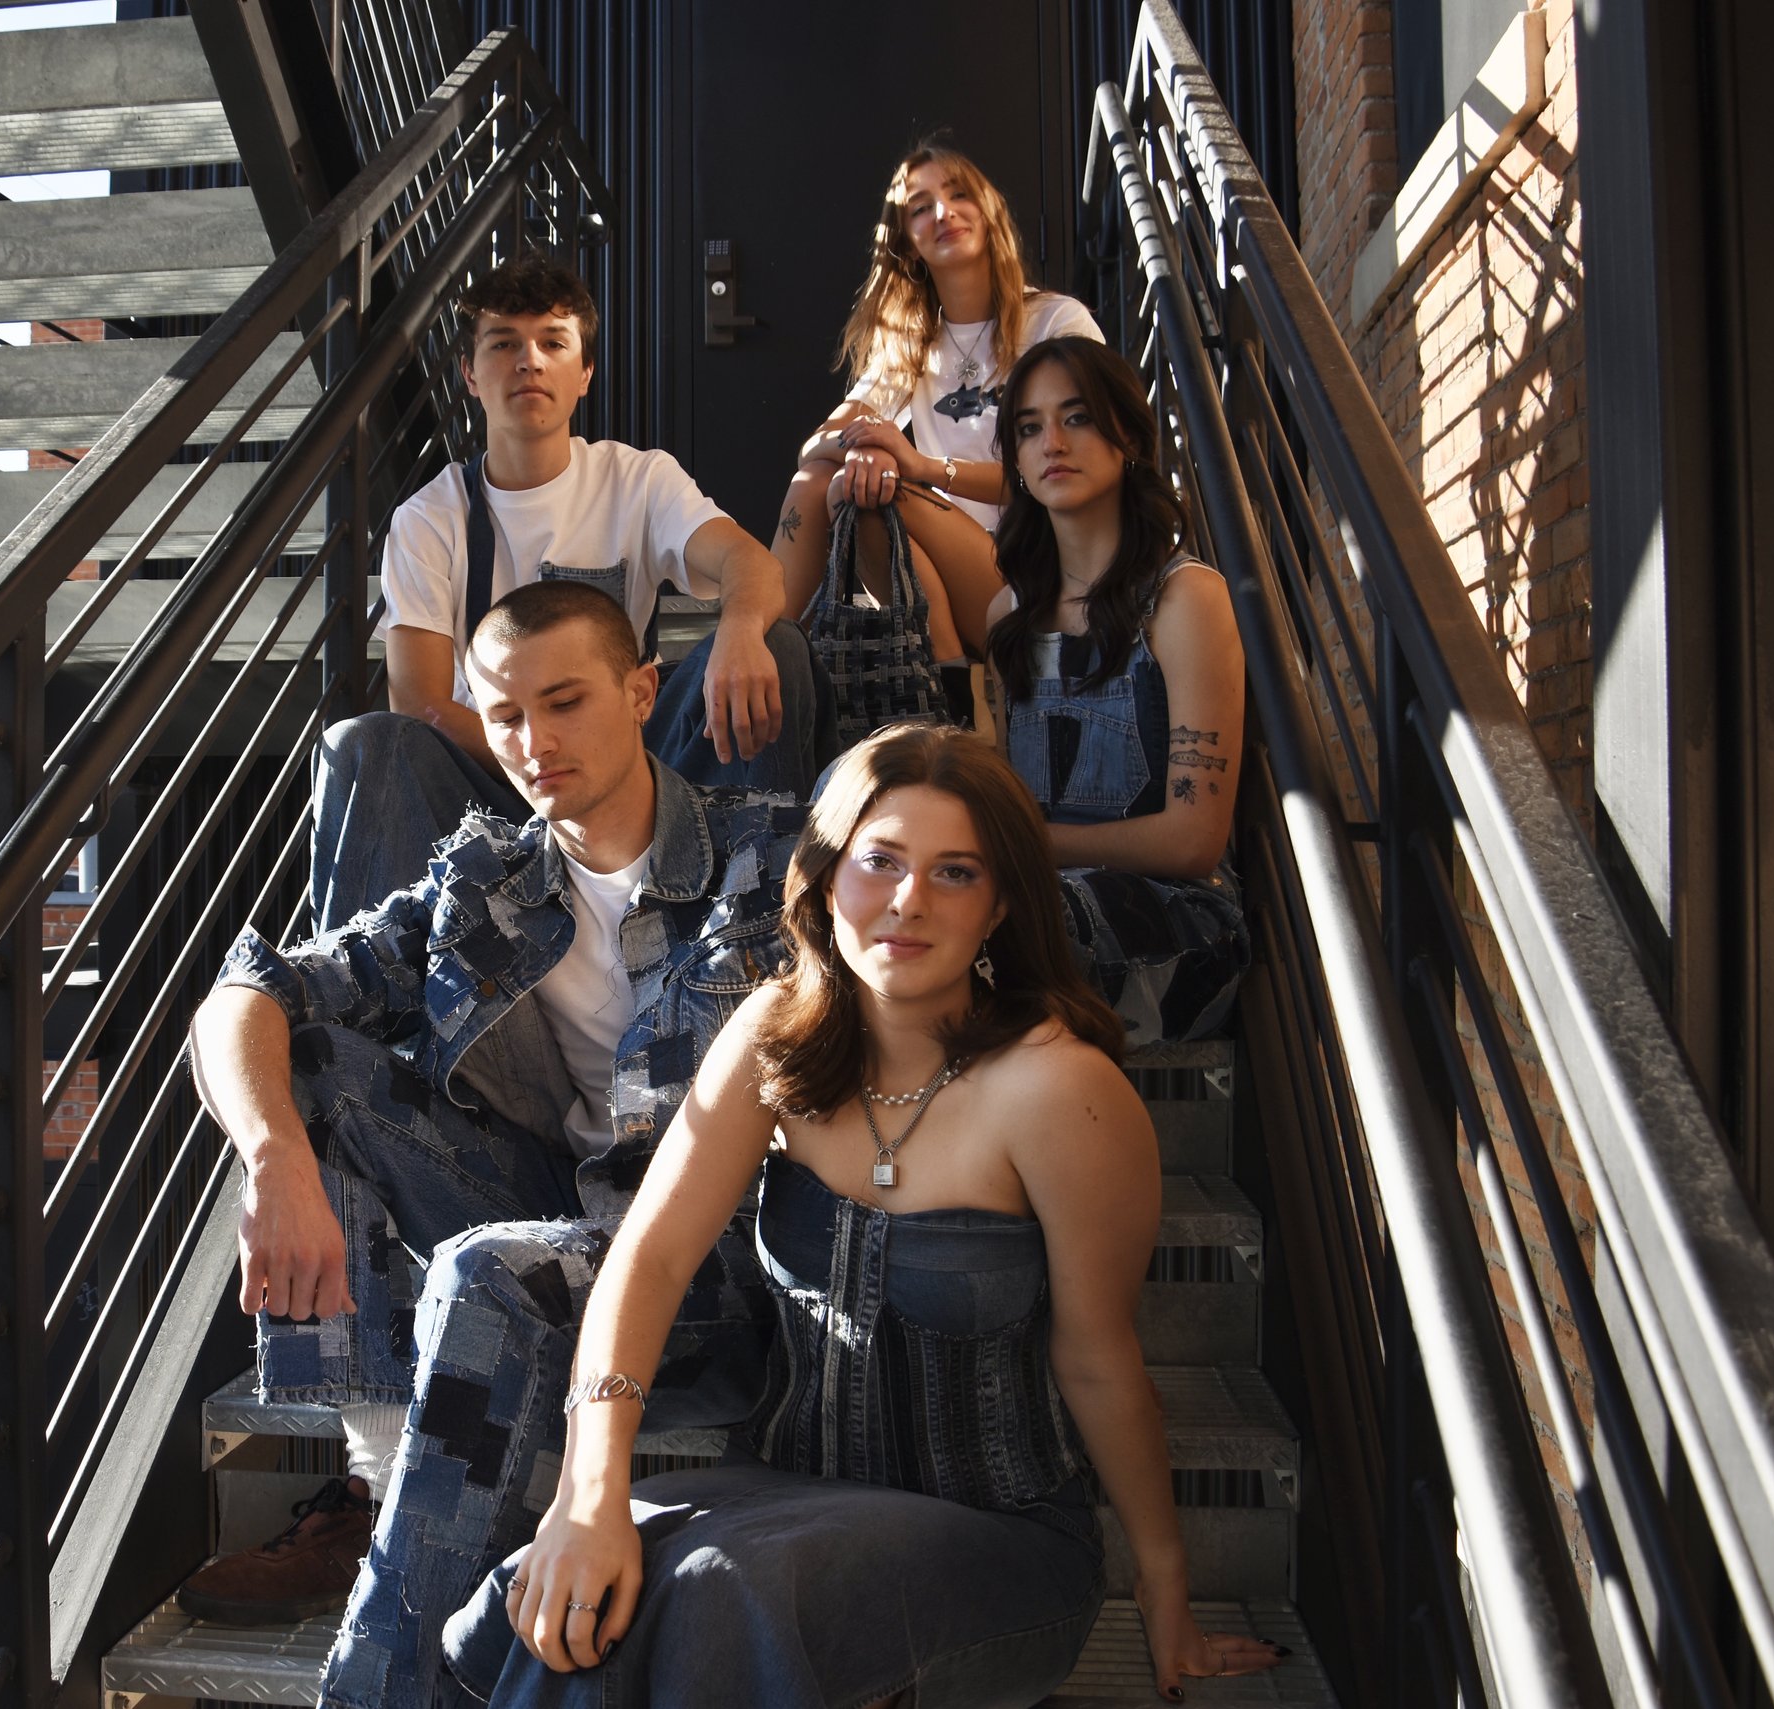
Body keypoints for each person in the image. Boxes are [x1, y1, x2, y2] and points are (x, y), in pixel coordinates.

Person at [441, 725, 1287, 1707]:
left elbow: (1099, 1359)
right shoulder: (771, 1034)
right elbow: (653, 1258)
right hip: (779, 1492)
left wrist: (1165, 1588)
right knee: (566, 1592)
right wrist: (591, 1493)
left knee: (727, 1594)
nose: (908, 899)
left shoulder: (1059, 1091)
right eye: (879, 859)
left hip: (996, 1539)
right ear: (826, 875)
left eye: (955, 872)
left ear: (1000, 904)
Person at [177, 581, 799, 1695]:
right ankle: (385, 1480)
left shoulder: (770, 861)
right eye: (505, 713)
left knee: (486, 1272)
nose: (533, 741)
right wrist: (273, 1157)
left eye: (565, 701)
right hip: (557, 1229)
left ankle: (394, 1659)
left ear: (642, 691)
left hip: (726, 1272)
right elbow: (250, 989)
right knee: (306, 1067)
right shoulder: (487, 880)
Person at [312, 252, 831, 929]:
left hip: (632, 759)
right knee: (367, 743)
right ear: (470, 374)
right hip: (498, 776)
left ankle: (768, 925)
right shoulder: (429, 518)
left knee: (777, 646)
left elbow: (751, 565)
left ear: (584, 372)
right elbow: (422, 706)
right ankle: (364, 981)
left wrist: (737, 631)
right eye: (503, 344)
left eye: (553, 343)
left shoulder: (637, 479)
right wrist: (546, 753)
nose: (529, 361)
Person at [984, 336, 1251, 1043]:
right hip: (1041, 902)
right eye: (1030, 428)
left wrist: (1029, 846)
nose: (1053, 443)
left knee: (1000, 941)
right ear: (1016, 461)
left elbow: (1194, 841)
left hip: (1178, 924)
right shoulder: (1007, 618)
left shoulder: (1184, 599)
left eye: (1077, 418)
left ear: (1128, 436)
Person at [769, 143, 1104, 671]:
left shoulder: (1055, 323)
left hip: (1042, 564)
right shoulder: (911, 344)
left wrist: (922, 467)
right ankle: (777, 662)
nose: (943, 213)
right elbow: (812, 448)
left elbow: (1083, 464)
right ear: (907, 240)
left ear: (988, 211)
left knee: (870, 486)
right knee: (824, 481)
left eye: (958, 194)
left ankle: (944, 678)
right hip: (947, 573)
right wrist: (867, 448)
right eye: (921, 207)